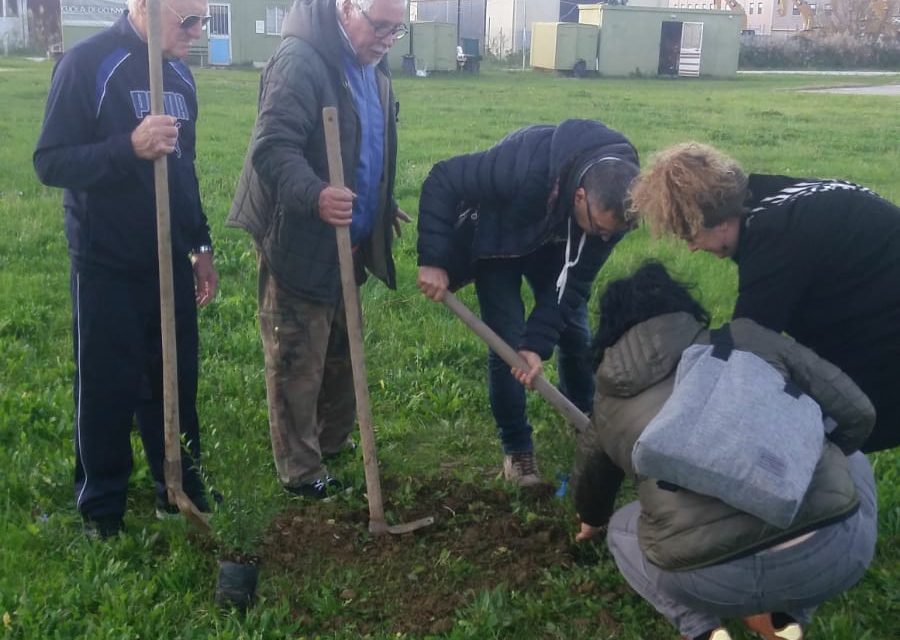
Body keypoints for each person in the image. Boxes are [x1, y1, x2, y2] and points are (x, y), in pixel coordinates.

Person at [573, 263, 877, 640]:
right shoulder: (747, 336)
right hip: (832, 555)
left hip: (707, 579)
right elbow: (858, 414)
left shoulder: (607, 403)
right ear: (682, 307)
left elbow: (592, 482)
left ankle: (703, 630)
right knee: (854, 460)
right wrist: (815, 454)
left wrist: (591, 519)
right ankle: (785, 619)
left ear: (610, 334)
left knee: (621, 527)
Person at [33, 0, 218, 539]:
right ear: (144, 6)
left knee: (175, 380)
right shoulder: (89, 64)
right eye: (188, 19)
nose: (197, 31)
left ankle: (177, 485)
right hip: (107, 260)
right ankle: (102, 505)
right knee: (108, 384)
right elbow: (51, 161)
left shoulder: (181, 77)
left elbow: (184, 172)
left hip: (167, 259)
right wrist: (129, 147)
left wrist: (200, 245)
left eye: (203, 19)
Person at [228, 0, 409, 499]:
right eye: (381, 27)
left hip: (348, 237)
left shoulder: (372, 57)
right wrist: (316, 194)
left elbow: (370, 139)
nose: (388, 39)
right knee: (297, 357)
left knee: (341, 349)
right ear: (347, 7)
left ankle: (331, 443)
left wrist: (381, 199)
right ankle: (301, 471)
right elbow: (272, 147)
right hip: (300, 236)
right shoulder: (300, 61)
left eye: (398, 30)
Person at [629, 142, 900, 453]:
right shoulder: (762, 196)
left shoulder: (775, 239)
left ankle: (845, 498)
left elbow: (744, 354)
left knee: (829, 433)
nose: (691, 247)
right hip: (868, 303)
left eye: (691, 235)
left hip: (887, 332)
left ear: (718, 220)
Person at [416, 119, 639, 486]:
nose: (605, 237)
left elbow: (575, 283)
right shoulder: (523, 164)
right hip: (499, 241)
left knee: (576, 333)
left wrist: (538, 345)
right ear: (579, 196)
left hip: (556, 247)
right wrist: (433, 260)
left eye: (610, 234)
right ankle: (517, 450)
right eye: (600, 229)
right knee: (507, 345)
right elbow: (444, 177)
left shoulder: (616, 212)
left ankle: (584, 420)